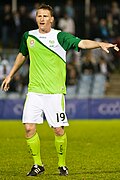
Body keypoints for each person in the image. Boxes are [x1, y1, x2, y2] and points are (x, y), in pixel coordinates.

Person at [1, 4, 119, 177]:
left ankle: (62, 164)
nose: (42, 19)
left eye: (45, 16)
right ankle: (37, 165)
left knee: (58, 129)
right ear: (36, 18)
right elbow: (22, 55)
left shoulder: (60, 37)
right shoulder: (28, 36)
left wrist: (99, 44)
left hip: (55, 92)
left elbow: (81, 43)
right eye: (39, 16)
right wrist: (10, 75)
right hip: (34, 91)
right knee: (28, 128)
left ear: (51, 19)